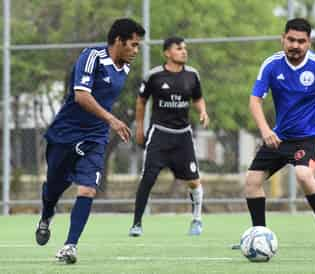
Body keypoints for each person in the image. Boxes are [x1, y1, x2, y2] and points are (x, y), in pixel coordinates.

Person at [35, 18, 146, 264]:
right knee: (54, 187)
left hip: (95, 137)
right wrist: (112, 120)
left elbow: (103, 100)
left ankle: (70, 246)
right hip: (65, 133)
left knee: (88, 188)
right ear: (118, 41)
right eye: (134, 45)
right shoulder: (92, 56)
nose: (136, 51)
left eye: (139, 46)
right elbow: (81, 96)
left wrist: (106, 124)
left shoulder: (125, 67)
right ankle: (46, 215)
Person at [244, 18, 315, 244]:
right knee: (252, 182)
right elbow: (254, 101)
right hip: (280, 137)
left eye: (301, 41)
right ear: (283, 39)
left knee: (303, 174)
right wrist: (265, 130)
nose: (295, 45)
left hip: (311, 136)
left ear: (309, 43)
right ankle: (259, 235)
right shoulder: (271, 65)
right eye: (291, 39)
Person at [129, 36, 209, 237]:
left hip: (183, 136)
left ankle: (197, 220)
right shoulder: (154, 76)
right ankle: (137, 223)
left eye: (185, 48)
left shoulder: (192, 75)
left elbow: (198, 98)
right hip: (159, 134)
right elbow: (141, 101)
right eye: (179, 48)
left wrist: (202, 111)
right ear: (167, 53)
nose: (184, 51)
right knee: (148, 178)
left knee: (193, 181)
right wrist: (140, 128)